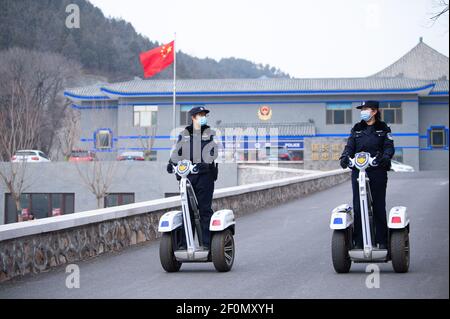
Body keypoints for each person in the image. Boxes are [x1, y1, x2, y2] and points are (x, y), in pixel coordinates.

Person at [339, 100, 395, 250]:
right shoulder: (357, 129)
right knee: (358, 206)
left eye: (366, 108)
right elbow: (349, 146)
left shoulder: (383, 129)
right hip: (358, 171)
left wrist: (385, 157)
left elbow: (389, 147)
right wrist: (345, 157)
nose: (363, 111)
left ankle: (382, 241)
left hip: (377, 171)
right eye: (362, 109)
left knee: (378, 205)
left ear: (374, 111)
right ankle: (359, 242)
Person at [167, 106, 218, 250]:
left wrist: (205, 163)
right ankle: (184, 245)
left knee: (204, 210)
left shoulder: (209, 133)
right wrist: (171, 164)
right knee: (187, 211)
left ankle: (208, 245)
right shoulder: (184, 134)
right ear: (193, 118)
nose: (203, 117)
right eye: (200, 115)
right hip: (187, 177)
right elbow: (177, 152)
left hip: (205, 177)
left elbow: (212, 152)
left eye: (204, 115)